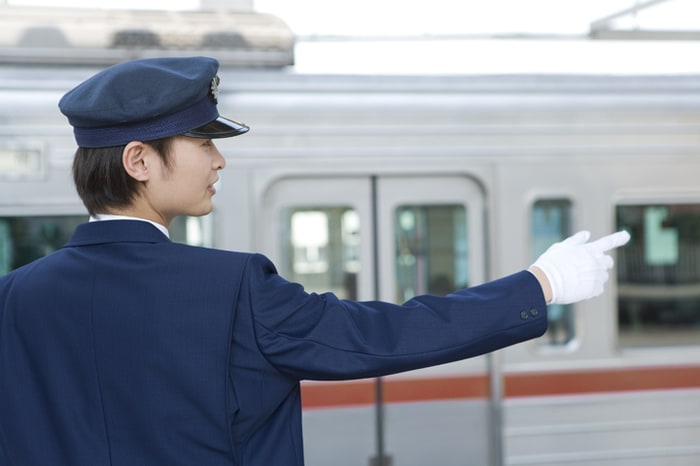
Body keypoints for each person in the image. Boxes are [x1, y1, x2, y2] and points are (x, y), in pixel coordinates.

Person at [0, 56, 630, 466]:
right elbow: (384, 335)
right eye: (202, 142)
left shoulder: (14, 297)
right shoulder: (233, 287)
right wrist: (540, 284)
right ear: (139, 161)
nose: (220, 161)